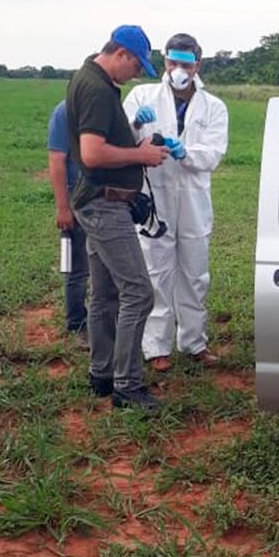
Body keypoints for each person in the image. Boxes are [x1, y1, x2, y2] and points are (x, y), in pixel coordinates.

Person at [66, 25, 169, 410]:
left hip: (99, 201)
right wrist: (140, 156)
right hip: (103, 205)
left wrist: (136, 137)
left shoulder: (92, 80)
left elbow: (101, 142)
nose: (136, 74)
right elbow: (92, 154)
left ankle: (102, 374)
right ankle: (128, 385)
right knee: (139, 293)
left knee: (107, 294)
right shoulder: (95, 88)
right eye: (136, 66)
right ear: (121, 53)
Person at [123, 32, 228, 372]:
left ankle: (194, 341)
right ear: (164, 61)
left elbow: (213, 154)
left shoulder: (214, 106)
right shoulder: (142, 95)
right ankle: (156, 348)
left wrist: (187, 153)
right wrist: (138, 121)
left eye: (184, 63)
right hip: (156, 193)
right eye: (171, 62)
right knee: (157, 270)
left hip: (194, 198)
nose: (176, 69)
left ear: (197, 64)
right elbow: (124, 137)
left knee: (195, 273)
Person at [47, 100, 89, 343]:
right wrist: (63, 207)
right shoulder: (65, 110)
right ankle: (77, 323)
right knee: (76, 266)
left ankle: (99, 319)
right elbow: (56, 160)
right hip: (76, 195)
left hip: (100, 194)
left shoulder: (105, 102)